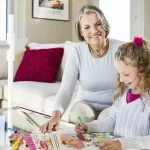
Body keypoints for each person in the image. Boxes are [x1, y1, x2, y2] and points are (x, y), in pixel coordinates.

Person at [40, 4, 123, 133]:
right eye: (87, 27)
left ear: (105, 25)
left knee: (105, 123)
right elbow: (66, 91)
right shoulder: (77, 53)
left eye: (98, 24)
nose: (94, 30)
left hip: (113, 106)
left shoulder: (121, 49)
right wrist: (55, 117)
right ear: (81, 32)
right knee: (79, 116)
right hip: (84, 104)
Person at [75, 37, 150, 150]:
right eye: (119, 74)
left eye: (126, 74)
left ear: (143, 70)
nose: (121, 80)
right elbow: (111, 121)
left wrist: (124, 144)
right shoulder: (123, 95)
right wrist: (89, 126)